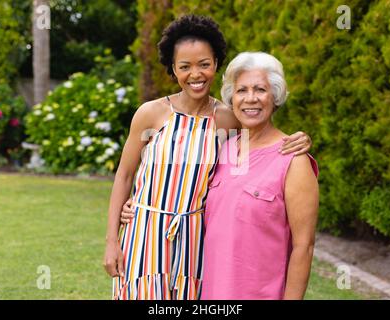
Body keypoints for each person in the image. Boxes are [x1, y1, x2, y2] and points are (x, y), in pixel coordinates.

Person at [104, 15, 311, 300]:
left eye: (204, 64)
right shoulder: (150, 114)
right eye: (184, 66)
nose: (196, 74)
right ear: (173, 69)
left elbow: (264, 136)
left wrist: (299, 138)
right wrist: (112, 240)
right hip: (145, 234)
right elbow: (124, 175)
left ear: (215, 63)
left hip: (194, 240)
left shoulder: (227, 119)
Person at [201, 52, 319, 300]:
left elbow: (304, 247)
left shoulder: (293, 159)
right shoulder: (222, 149)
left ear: (274, 97)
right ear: (231, 98)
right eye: (242, 90)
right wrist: (133, 207)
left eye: (260, 90)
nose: (250, 99)